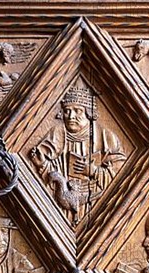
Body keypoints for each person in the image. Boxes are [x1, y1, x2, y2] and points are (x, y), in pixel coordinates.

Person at [30, 78, 127, 220]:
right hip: (54, 211)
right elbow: (50, 173)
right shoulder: (56, 133)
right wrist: (42, 164)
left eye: (77, 110)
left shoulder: (106, 137)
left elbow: (121, 174)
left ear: (88, 112)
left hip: (99, 208)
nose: (71, 116)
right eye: (67, 111)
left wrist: (93, 171)